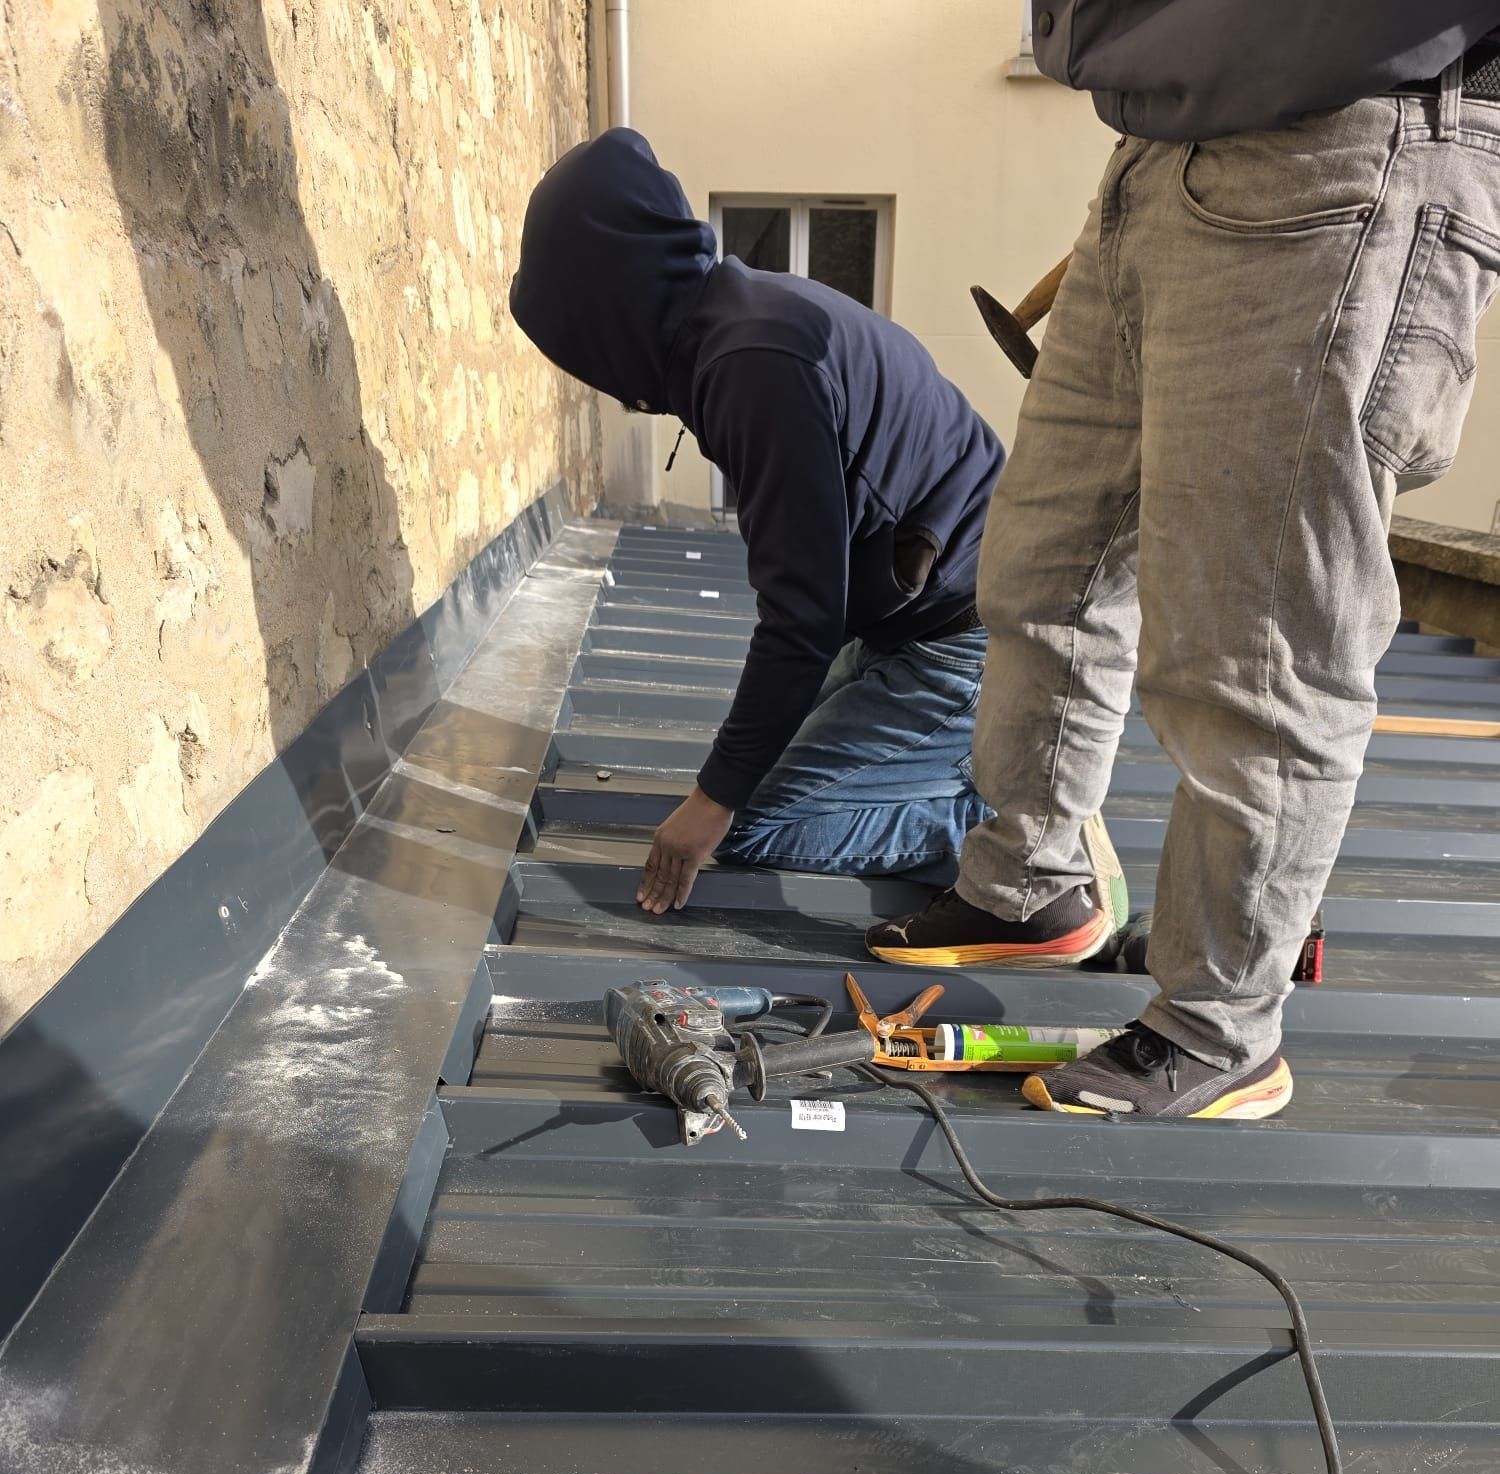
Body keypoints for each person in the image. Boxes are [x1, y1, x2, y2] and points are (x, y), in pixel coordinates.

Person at [868, 7, 1500, 1119]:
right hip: (1154, 152)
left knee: (1255, 645)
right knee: (1044, 574)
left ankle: (1220, 1026)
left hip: (1343, 141)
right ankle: (1029, 886)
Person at [510, 129, 1127, 953]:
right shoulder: (738, 320)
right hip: (923, 614)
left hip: (969, 637)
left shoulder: (752, 366)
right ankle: (1012, 792)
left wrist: (712, 803)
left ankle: (1019, 848)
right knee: (745, 767)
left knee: (749, 823)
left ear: (608, 307)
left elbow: (801, 617)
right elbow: (815, 597)